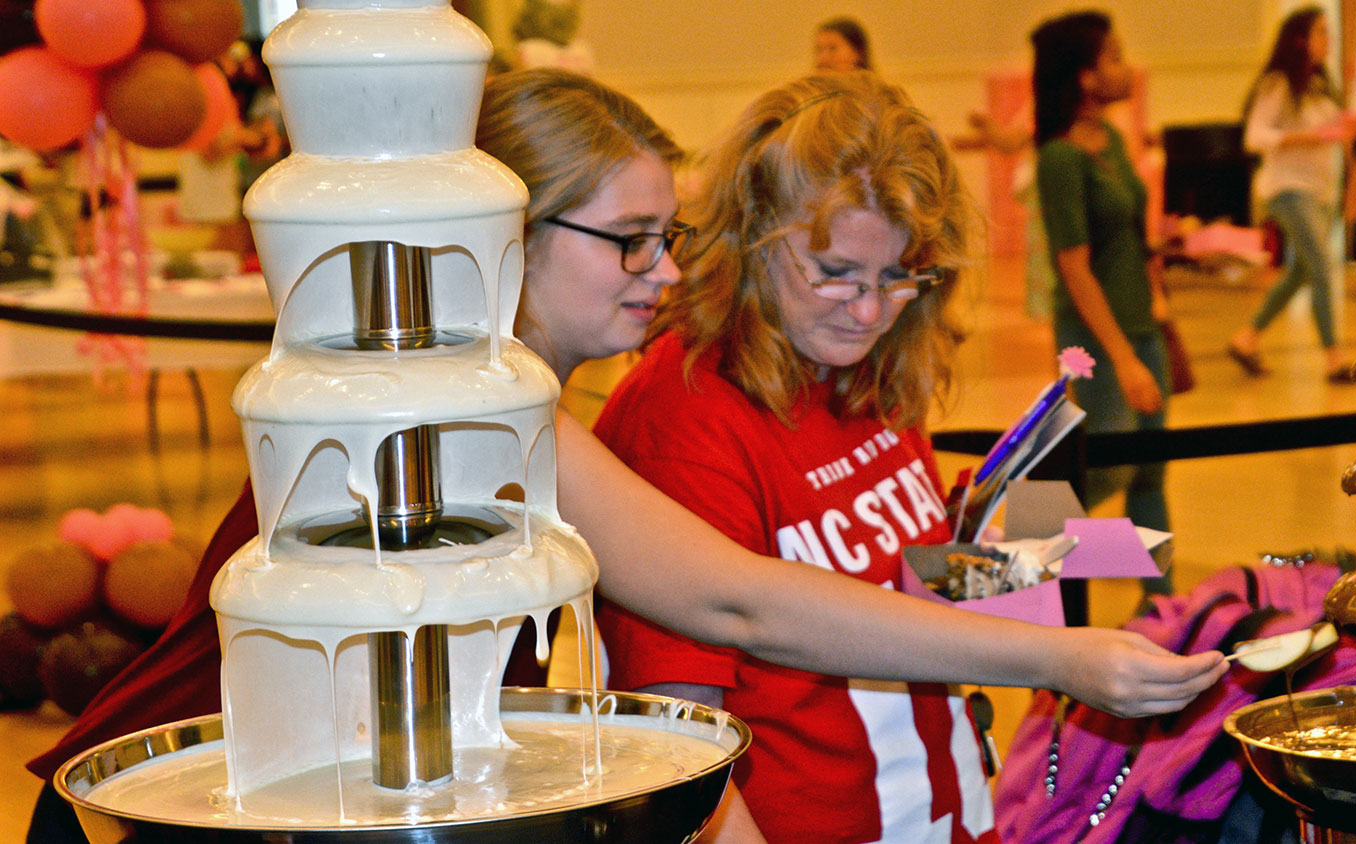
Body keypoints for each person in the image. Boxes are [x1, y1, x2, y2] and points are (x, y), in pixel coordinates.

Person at [27, 68, 1226, 842]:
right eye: (633, 241)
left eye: (674, 237)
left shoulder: (511, 390)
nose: (667, 272)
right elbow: (730, 598)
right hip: (177, 813)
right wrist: (1067, 658)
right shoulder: (463, 395)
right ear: (512, 232)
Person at [1031, 11, 1172, 594]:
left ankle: (1161, 602)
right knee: (1107, 466)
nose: (1126, 67)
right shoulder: (1060, 158)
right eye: (1113, 57)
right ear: (1086, 77)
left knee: (1151, 467)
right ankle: (1030, 544)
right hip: (1094, 339)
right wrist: (1124, 358)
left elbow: (1128, 237)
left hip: (1141, 324)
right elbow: (1073, 266)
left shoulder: (1110, 140)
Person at [1227, 6, 1356, 381]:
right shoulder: (1279, 83)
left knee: (1300, 271)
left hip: (1320, 192)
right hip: (1289, 190)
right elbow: (1255, 137)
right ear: (1300, 39)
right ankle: (1334, 357)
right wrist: (1309, 137)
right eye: (1321, 32)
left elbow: (1331, 132)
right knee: (1321, 264)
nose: (1328, 40)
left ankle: (1246, 338)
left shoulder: (1320, 86)